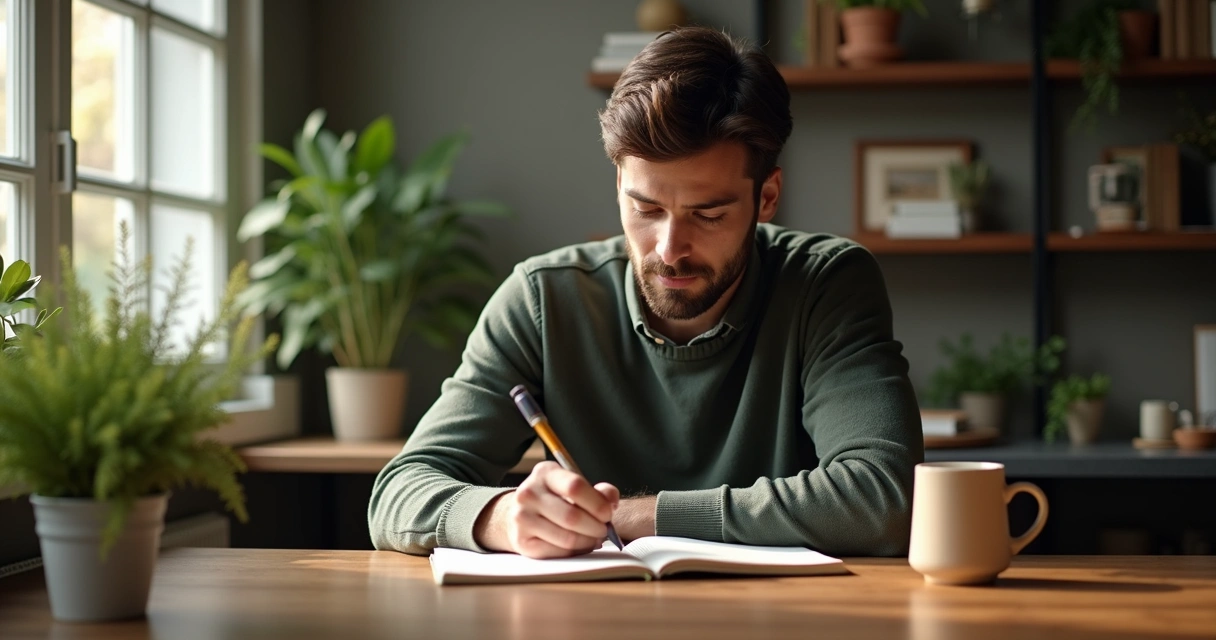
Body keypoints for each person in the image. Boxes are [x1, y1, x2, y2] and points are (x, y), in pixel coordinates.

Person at [368, 26, 923, 559]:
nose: (668, 249)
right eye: (646, 209)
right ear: (618, 186)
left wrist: (630, 519)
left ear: (768, 196)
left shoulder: (826, 284)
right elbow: (398, 494)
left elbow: (884, 499)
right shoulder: (542, 301)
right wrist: (501, 517)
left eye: (708, 214)